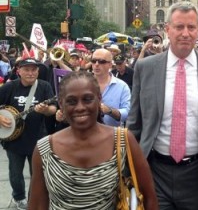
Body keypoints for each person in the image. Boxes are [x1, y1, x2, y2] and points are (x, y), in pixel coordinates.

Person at [127, 1, 198, 209]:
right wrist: (127, 170)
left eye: (191, 27)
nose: (185, 33)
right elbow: (135, 124)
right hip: (154, 171)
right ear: (167, 29)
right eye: (179, 27)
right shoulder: (145, 68)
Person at [28, 71, 158, 209]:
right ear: (61, 103)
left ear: (99, 99)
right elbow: (37, 204)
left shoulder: (122, 139)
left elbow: (149, 196)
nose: (80, 107)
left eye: (87, 99)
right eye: (71, 101)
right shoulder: (44, 149)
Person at [0, 58, 57, 210]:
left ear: (38, 71)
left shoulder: (44, 86)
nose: (31, 73)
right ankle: (19, 197)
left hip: (38, 138)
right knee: (15, 174)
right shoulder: (9, 87)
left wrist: (46, 110)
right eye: (27, 69)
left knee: (37, 174)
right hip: (13, 140)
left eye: (34, 70)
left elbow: (53, 109)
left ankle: (34, 199)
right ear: (19, 70)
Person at [92, 48, 131, 127]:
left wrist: (110, 111)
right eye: (93, 61)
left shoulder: (122, 86)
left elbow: (127, 112)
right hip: (86, 133)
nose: (96, 64)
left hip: (112, 135)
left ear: (110, 64)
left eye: (101, 61)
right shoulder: (83, 83)